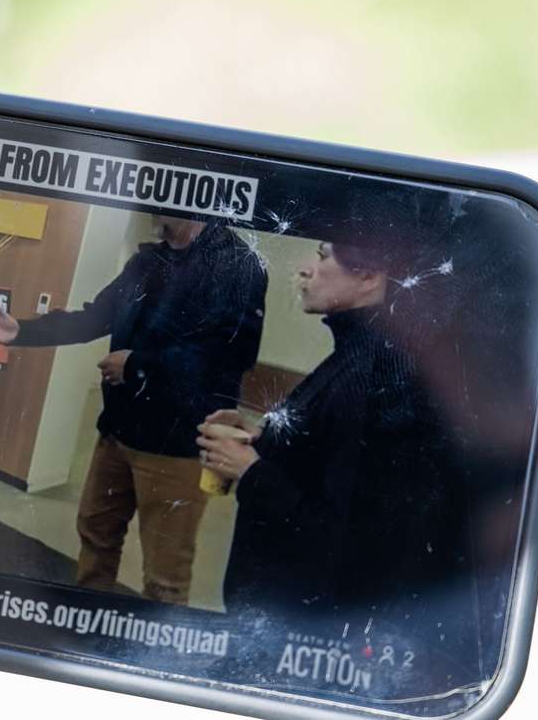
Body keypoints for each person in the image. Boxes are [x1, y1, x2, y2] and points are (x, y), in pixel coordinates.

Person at [0, 215, 267, 604]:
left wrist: (136, 364)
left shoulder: (238, 264)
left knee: (165, 575)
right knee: (95, 538)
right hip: (116, 433)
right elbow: (95, 317)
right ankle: (87, 630)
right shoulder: (147, 262)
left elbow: (230, 355)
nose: (150, 205)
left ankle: (145, 658)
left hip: (177, 446)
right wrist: (22, 332)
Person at [197, 236, 461, 618]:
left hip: (292, 625)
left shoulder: (369, 375)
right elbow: (325, 453)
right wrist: (264, 439)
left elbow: (341, 531)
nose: (305, 269)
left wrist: (249, 470)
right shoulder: (356, 357)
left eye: (322, 256)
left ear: (369, 277)